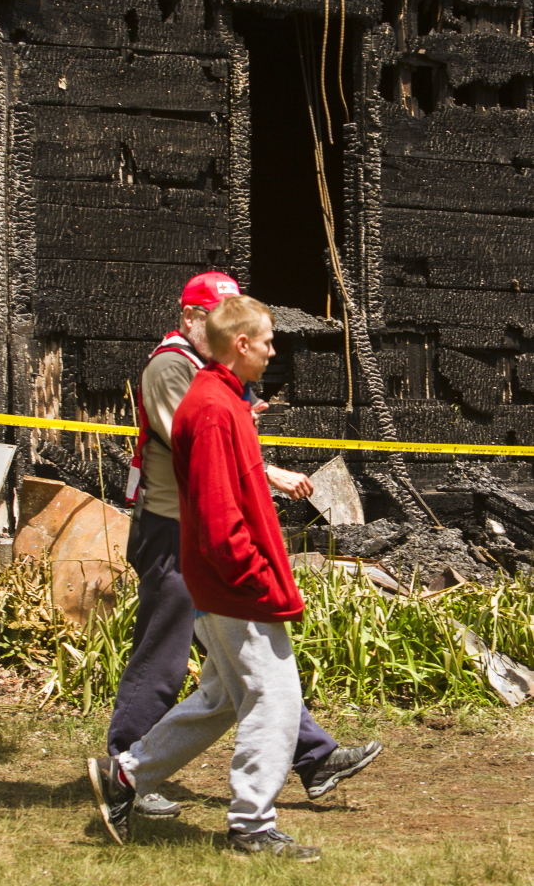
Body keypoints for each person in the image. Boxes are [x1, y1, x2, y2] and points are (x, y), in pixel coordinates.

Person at [101, 273, 381, 826]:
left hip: (209, 537)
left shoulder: (214, 382)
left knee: (236, 680)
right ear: (194, 319)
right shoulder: (173, 371)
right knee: (169, 654)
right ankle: (131, 764)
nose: (257, 342)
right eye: (219, 315)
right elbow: (205, 457)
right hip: (179, 530)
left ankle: (310, 758)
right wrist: (254, 566)